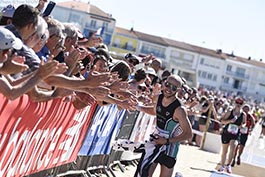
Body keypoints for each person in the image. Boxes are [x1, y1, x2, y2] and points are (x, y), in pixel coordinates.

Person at [136, 74, 192, 177]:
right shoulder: (158, 98)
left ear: (178, 90)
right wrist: (138, 107)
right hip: (156, 142)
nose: (169, 89)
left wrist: (166, 141)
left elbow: (188, 134)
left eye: (174, 88)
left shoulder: (180, 110)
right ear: (163, 83)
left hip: (170, 148)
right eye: (167, 84)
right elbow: (155, 111)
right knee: (144, 173)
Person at [218, 97, 246, 174]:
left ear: (242, 104)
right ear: (235, 103)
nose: (238, 105)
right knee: (224, 151)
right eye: (237, 102)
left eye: (240, 103)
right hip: (226, 133)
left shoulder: (243, 114)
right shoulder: (230, 112)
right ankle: (222, 166)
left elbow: (244, 122)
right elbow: (222, 121)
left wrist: (242, 126)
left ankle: (228, 165)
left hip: (235, 134)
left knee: (233, 147)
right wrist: (230, 121)